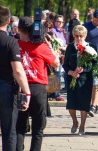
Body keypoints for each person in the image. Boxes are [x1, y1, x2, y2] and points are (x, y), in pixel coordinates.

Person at [16, 17, 59, 151]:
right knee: (38, 128)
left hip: (20, 88)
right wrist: (50, 46)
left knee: (19, 127)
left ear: (18, 29)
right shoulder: (41, 47)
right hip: (38, 88)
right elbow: (56, 63)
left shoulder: (14, 44)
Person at [0, 5, 31, 151]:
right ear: (8, 21)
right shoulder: (10, 42)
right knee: (8, 132)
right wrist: (27, 91)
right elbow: (18, 71)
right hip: (6, 88)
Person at [63, 25, 97, 135]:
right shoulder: (70, 47)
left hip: (85, 80)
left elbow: (94, 64)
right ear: (73, 36)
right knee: (71, 104)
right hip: (72, 78)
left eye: (81, 36)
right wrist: (71, 72)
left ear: (85, 36)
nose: (79, 38)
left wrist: (83, 69)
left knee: (84, 104)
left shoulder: (91, 47)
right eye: (76, 36)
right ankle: (75, 122)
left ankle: (82, 125)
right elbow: (65, 65)